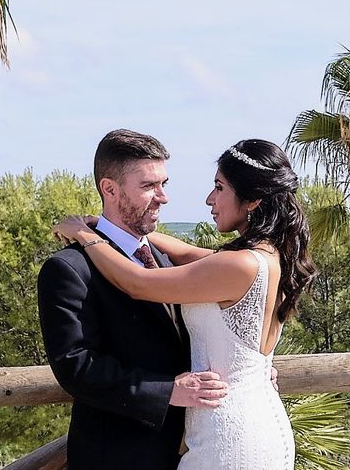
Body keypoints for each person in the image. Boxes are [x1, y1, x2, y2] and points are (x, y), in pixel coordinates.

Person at [53, 138, 318, 470]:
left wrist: (86, 235)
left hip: (228, 435)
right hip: (252, 420)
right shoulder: (262, 259)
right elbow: (179, 250)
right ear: (110, 189)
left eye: (219, 188)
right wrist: (105, 228)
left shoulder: (237, 265)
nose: (209, 199)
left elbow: (137, 283)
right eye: (150, 185)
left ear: (252, 200)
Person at [37, 129, 229, 470]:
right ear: (109, 189)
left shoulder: (165, 259)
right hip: (117, 456)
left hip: (192, 452)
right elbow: (75, 365)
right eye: (148, 186)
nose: (163, 197)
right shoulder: (68, 269)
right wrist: (167, 390)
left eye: (163, 184)